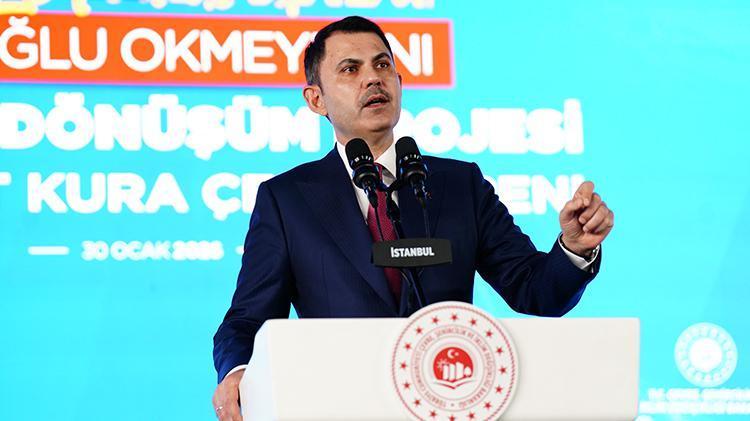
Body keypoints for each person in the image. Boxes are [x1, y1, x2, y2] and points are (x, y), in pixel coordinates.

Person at [211, 16, 614, 420]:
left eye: (382, 65)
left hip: (450, 402)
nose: (373, 78)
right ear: (316, 100)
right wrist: (238, 372)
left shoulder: (460, 185)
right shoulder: (287, 200)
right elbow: (247, 319)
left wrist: (574, 249)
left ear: (399, 83)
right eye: (350, 69)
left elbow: (536, 291)